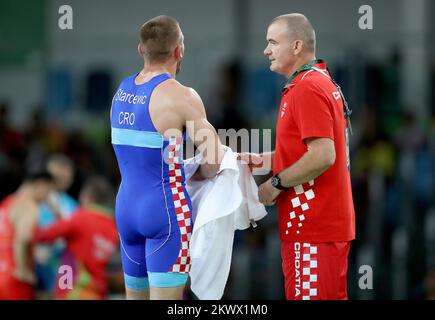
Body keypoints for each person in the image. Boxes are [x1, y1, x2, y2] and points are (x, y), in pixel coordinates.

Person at [110, 15, 225, 300]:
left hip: (126, 209)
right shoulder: (183, 97)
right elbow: (214, 160)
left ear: (141, 50)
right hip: (165, 212)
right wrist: (195, 171)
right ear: (179, 50)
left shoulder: (120, 92)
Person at [242, 13, 355, 300]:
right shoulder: (314, 82)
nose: (266, 51)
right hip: (315, 227)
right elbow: (307, 151)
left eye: (272, 42)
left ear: (295, 46)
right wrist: (261, 160)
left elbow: (322, 156)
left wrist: (274, 184)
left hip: (313, 227)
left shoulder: (307, 88)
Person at [32, 176, 118, 300]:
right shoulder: (112, 226)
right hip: (98, 291)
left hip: (72, 289)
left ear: (88, 196)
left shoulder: (82, 217)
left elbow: (45, 235)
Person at [0, 170, 54, 300]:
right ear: (41, 185)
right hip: (13, 277)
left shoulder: (7, 202)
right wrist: (22, 271)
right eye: (48, 192)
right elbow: (22, 238)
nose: (47, 198)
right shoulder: (29, 206)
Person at [34, 154, 77, 298]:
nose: (61, 180)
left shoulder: (73, 205)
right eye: (56, 176)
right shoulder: (36, 200)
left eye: (65, 175)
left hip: (66, 264)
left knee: (65, 295)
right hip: (39, 264)